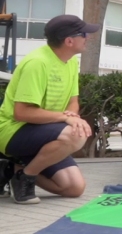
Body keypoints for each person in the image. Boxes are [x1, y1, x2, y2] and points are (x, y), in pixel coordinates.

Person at [0, 15, 97, 204]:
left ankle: (12, 170)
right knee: (76, 135)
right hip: (12, 131)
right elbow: (22, 113)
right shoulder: (37, 63)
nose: (88, 38)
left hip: (43, 134)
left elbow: (73, 101)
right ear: (69, 41)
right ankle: (25, 178)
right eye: (84, 34)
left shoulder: (71, 61)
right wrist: (65, 119)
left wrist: (71, 115)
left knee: (74, 188)